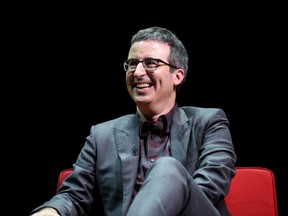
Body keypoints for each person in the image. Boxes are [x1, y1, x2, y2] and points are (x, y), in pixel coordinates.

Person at [30, 26, 237, 216]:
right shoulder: (101, 136)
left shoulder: (209, 122)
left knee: (168, 169)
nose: (138, 72)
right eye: (131, 64)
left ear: (178, 76)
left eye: (150, 63)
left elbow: (210, 185)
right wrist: (49, 212)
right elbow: (73, 197)